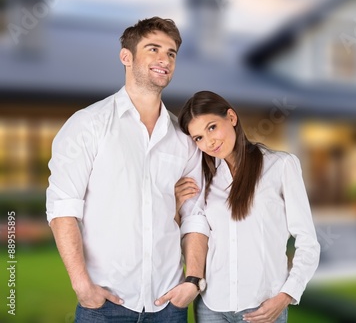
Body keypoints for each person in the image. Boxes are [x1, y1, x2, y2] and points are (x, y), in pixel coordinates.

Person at [46, 17, 209, 323]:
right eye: (153, 49)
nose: (164, 59)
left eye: (171, 53)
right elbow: (62, 208)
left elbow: (196, 215)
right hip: (104, 304)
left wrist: (193, 279)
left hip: (169, 305)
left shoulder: (184, 138)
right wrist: (82, 286)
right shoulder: (88, 125)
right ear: (126, 56)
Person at [175, 91, 320, 323]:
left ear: (231, 117)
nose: (209, 142)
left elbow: (308, 242)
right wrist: (176, 202)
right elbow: (193, 232)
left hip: (263, 307)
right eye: (198, 138)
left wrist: (286, 296)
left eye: (212, 127)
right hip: (211, 305)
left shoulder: (281, 166)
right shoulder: (204, 178)